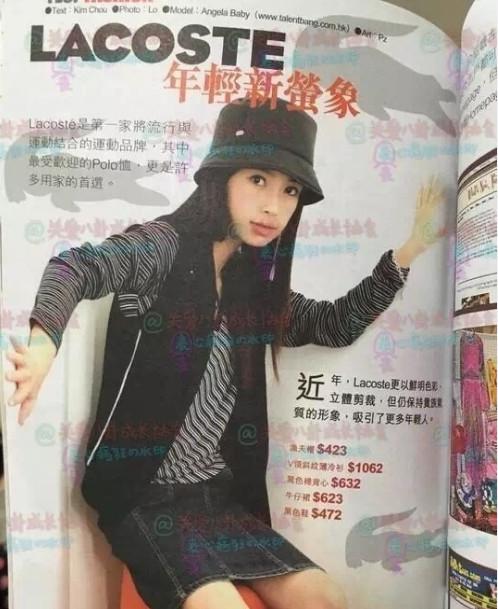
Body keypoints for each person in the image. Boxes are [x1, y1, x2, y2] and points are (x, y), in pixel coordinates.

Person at [5, 97, 443, 609]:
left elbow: (334, 324)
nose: (273, 206)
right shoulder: (164, 247)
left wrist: (409, 251)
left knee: (326, 598)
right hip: (145, 497)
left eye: (290, 190)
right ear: (221, 179)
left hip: (218, 498)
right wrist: (43, 348)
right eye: (258, 180)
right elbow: (76, 267)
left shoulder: (251, 287)